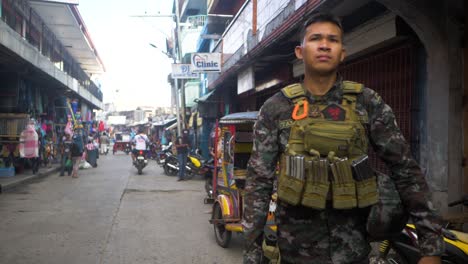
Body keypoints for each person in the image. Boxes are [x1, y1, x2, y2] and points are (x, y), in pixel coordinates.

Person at [242, 13, 444, 264]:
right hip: (296, 252)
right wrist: (252, 250)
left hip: (354, 250)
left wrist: (431, 246)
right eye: (315, 38)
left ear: (342, 52)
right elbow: (259, 181)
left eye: (333, 40)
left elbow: (405, 170)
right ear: (299, 51)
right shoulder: (276, 108)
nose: (324, 45)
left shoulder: (367, 103)